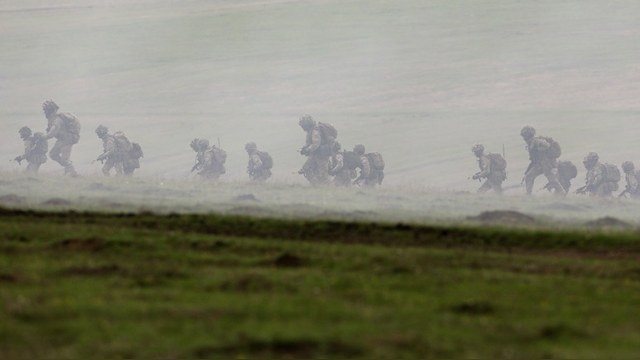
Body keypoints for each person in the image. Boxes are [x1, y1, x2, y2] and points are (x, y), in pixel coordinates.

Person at [520, 126, 564, 195]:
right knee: (528, 177)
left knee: (552, 180)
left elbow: (547, 145)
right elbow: (533, 159)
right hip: (539, 165)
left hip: (547, 164)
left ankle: (561, 192)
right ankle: (528, 194)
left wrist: (540, 150)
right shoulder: (531, 142)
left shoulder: (537, 141)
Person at [43, 100, 80, 176]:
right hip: (62, 140)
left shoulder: (57, 120)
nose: (45, 112)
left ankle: (73, 173)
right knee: (53, 154)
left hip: (67, 140)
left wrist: (43, 137)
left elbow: (51, 133)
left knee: (65, 159)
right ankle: (69, 169)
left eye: (46, 110)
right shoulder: (53, 119)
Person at [298, 114, 335, 185]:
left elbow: (316, 144)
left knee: (323, 175)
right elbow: (309, 143)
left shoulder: (315, 130)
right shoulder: (310, 131)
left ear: (306, 124)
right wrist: (303, 148)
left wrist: (307, 150)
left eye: (303, 125)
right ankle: (317, 186)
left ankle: (329, 187)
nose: (302, 127)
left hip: (321, 155)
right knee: (306, 170)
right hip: (315, 155)